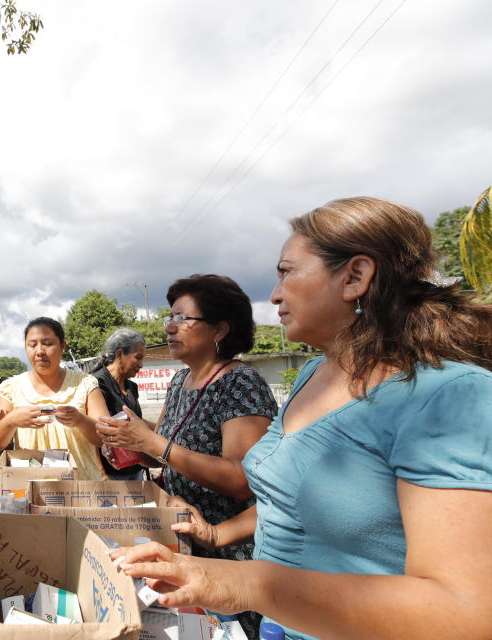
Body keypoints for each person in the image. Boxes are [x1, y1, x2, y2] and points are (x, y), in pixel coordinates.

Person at [111, 197, 492, 640]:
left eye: (286, 272)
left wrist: (244, 582)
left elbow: (466, 611)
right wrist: (215, 537)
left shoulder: (448, 396)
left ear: (355, 277)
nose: (273, 294)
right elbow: (283, 496)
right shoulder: (315, 374)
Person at [97, 275, 276, 637]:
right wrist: (130, 440)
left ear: (220, 330)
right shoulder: (181, 381)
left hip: (230, 551)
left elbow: (243, 480)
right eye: (169, 317)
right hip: (187, 543)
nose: (170, 327)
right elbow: (164, 451)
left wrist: (153, 444)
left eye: (183, 318)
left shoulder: (239, 384)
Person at [0, 317, 109, 480]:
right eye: (32, 344)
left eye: (48, 344)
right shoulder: (11, 387)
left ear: (63, 346)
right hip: (32, 490)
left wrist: (80, 420)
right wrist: (11, 421)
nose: (40, 351)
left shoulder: (85, 383)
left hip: (81, 489)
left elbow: (106, 437)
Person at [89, 328, 148, 480]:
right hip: (111, 473)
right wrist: (101, 473)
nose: (141, 364)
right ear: (120, 354)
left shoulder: (131, 387)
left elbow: (137, 422)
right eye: (138, 357)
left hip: (136, 467)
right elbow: (94, 432)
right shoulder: (96, 384)